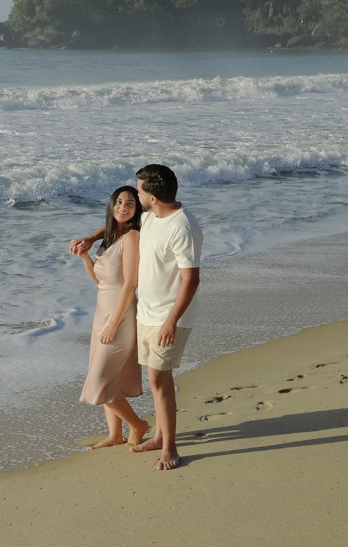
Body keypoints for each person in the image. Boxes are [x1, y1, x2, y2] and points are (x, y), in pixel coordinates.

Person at [71, 165, 202, 470]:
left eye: (138, 192)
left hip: (166, 317)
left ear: (152, 197)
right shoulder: (152, 217)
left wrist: (170, 320)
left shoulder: (183, 227)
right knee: (148, 377)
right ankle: (143, 435)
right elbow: (119, 225)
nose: (133, 198)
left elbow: (191, 280)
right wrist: (91, 239)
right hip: (145, 313)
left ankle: (167, 445)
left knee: (156, 378)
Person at [76, 186, 151, 450]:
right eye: (118, 202)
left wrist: (114, 323)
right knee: (111, 380)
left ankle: (138, 424)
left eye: (130, 203)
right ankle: (114, 435)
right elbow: (101, 280)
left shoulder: (131, 238)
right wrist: (85, 256)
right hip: (102, 315)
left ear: (136, 209)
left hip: (120, 317)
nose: (123, 207)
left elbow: (130, 285)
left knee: (99, 383)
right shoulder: (111, 238)